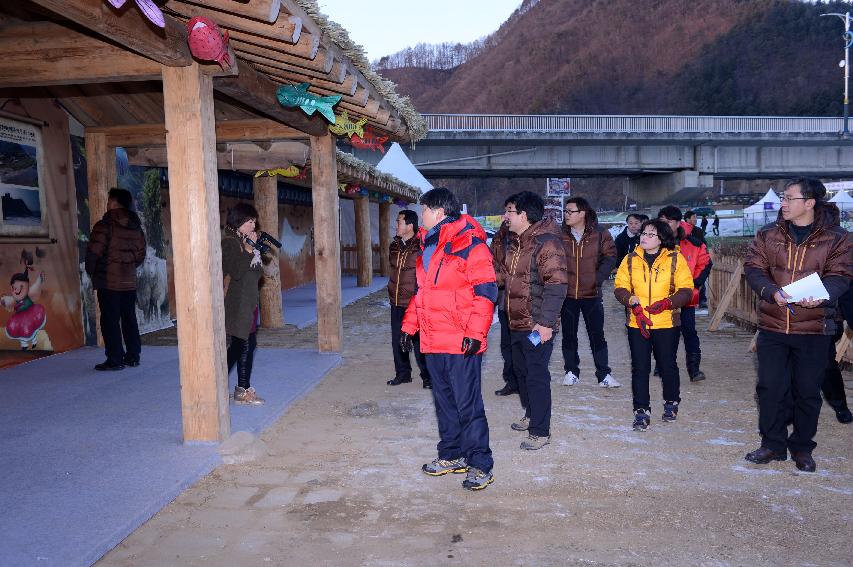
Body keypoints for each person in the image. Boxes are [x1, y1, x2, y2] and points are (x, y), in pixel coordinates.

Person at [743, 178, 852, 472]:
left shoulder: (838, 238)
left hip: (815, 328)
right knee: (770, 387)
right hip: (773, 326)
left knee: (807, 390)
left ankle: (802, 448)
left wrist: (822, 296)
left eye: (790, 198)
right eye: (783, 198)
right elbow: (754, 268)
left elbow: (841, 275)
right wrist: (770, 291)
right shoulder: (768, 234)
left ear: (809, 203)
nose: (784, 204)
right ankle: (772, 444)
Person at [400, 187, 497, 490]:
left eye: (424, 209)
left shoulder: (471, 245)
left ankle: (480, 463)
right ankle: (452, 454)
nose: (421, 214)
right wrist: (409, 327)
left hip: (460, 340)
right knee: (443, 401)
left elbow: (486, 293)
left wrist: (475, 333)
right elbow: (424, 293)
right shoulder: (427, 245)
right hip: (433, 339)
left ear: (439, 212)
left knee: (468, 404)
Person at [499, 191, 568, 450]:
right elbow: (507, 278)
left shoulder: (546, 243)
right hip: (515, 319)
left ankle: (541, 430)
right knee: (522, 371)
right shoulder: (516, 242)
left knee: (536, 375)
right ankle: (531, 414)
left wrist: (546, 323)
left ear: (524, 215)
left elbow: (557, 285)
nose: (506, 216)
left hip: (536, 323)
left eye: (510, 212)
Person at [614, 219, 695, 431]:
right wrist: (631, 301)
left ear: (662, 239)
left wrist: (669, 303)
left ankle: (671, 402)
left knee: (667, 364)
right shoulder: (630, 259)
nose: (644, 237)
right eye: (643, 233)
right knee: (640, 367)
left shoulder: (675, 259)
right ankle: (641, 410)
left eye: (651, 234)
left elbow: (686, 289)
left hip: (666, 322)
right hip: (637, 321)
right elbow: (620, 287)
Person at [560, 197, 620, 387]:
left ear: (582, 213)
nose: (566, 215)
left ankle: (603, 374)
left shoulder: (600, 233)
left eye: (570, 211)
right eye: (565, 211)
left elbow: (610, 257)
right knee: (568, 335)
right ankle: (571, 371)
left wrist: (597, 279)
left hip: (592, 294)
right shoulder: (559, 234)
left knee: (597, 335)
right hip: (567, 295)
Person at [85, 188, 146, 371]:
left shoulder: (104, 225)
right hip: (129, 281)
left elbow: (93, 253)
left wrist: (93, 271)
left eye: (109, 200)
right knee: (129, 318)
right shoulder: (136, 226)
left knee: (110, 321)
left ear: (113, 203)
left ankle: (115, 359)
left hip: (109, 282)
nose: (107, 203)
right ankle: (133, 356)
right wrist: (127, 268)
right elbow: (140, 255)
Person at [658, 205, 712, 382]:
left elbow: (705, 263)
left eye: (669, 221)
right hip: (660, 297)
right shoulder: (652, 242)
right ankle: (662, 365)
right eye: (662, 221)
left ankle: (694, 369)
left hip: (685, 297)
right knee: (662, 332)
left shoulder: (693, 243)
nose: (665, 224)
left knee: (689, 331)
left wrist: (694, 284)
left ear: (678, 223)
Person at [222, 203, 266, 405]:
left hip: (249, 301)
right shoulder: (230, 242)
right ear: (238, 222)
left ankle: (241, 389)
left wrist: (255, 249)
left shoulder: (244, 241)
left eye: (254, 221)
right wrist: (248, 249)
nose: (253, 224)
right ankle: (223, 383)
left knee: (246, 344)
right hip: (237, 302)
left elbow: (256, 274)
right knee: (241, 345)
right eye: (249, 221)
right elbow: (237, 272)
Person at [387, 209, 431, 389]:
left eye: (399, 222)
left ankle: (428, 377)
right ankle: (403, 373)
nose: (396, 225)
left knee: (419, 342)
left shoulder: (422, 245)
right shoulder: (395, 245)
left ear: (409, 225)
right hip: (396, 300)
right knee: (397, 339)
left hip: (414, 302)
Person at [491, 195, 519, 396]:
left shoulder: (532, 238)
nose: (506, 215)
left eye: (510, 210)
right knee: (506, 344)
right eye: (506, 210)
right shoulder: (500, 237)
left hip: (523, 302)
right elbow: (493, 262)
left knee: (523, 345)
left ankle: (524, 382)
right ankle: (511, 381)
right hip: (503, 299)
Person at [822, 282, 853, 423]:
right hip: (793, 316)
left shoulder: (842, 261)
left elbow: (847, 288)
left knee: (827, 364)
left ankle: (840, 405)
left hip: (828, 318)